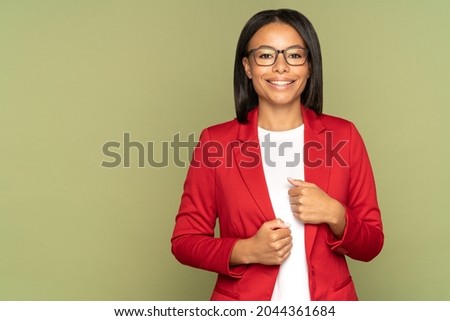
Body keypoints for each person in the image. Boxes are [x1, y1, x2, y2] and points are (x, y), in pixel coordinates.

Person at [171, 8, 383, 301]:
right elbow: (184, 241)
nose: (281, 67)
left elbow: (371, 245)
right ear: (247, 67)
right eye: (266, 55)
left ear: (309, 66)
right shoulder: (215, 143)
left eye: (294, 55)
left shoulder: (344, 136)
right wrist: (247, 250)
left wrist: (335, 214)